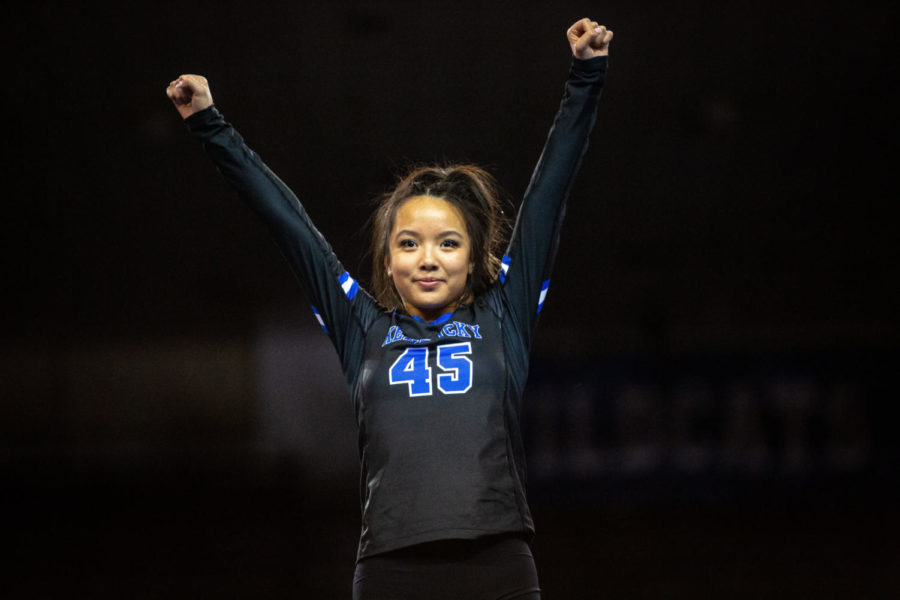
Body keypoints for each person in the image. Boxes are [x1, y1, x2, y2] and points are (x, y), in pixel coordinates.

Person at [167, 16, 613, 600]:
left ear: (476, 257)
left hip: (498, 564)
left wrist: (586, 75)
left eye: (447, 243)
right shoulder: (362, 326)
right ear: (389, 259)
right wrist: (209, 122)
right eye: (409, 243)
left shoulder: (506, 311)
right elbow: (288, 225)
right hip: (390, 570)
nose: (428, 259)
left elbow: (550, 191)